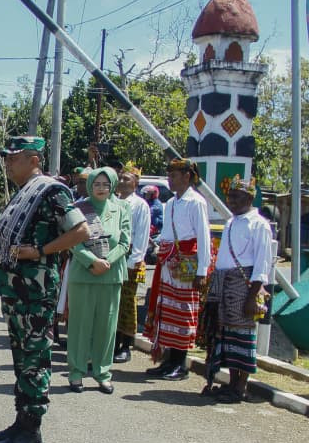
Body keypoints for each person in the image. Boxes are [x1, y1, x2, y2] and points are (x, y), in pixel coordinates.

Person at [0, 135, 89, 443]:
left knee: (34, 357)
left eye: (13, 158)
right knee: (22, 356)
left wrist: (40, 251)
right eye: (6, 158)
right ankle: (21, 421)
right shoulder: (23, 193)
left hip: (36, 290)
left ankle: (32, 431)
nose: (7, 163)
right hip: (18, 291)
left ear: (33, 159)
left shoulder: (52, 191)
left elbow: (81, 231)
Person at [201, 175, 272, 404]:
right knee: (226, 335)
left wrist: (253, 296)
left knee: (242, 335)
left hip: (243, 287)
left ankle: (241, 386)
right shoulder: (231, 221)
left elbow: (262, 264)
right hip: (223, 284)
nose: (231, 200)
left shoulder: (259, 224)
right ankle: (230, 383)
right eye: (229, 196)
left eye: (236, 196)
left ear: (250, 197)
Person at [143, 158, 212, 381]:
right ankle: (168, 360)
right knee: (167, 311)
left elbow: (203, 236)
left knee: (182, 313)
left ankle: (180, 364)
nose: (170, 180)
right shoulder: (171, 203)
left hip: (185, 262)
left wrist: (202, 270)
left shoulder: (196, 202)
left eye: (174, 176)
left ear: (186, 177)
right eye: (169, 175)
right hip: (168, 261)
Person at [65, 167, 131, 394]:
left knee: (107, 326)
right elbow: (72, 240)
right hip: (83, 274)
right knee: (79, 326)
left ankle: (103, 373)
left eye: (105, 184)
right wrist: (92, 261)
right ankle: (76, 373)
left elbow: (124, 242)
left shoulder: (122, 208)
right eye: (96, 184)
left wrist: (107, 262)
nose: (101, 189)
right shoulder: (78, 208)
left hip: (111, 275)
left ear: (112, 185)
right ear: (90, 185)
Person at [113, 164, 152, 363]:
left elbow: (142, 235)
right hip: (114, 256)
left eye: (126, 179)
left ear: (136, 183)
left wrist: (135, 259)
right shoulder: (115, 201)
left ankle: (126, 345)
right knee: (115, 303)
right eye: (120, 178)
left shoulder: (140, 205)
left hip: (130, 258)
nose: (121, 182)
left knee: (128, 304)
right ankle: (114, 342)